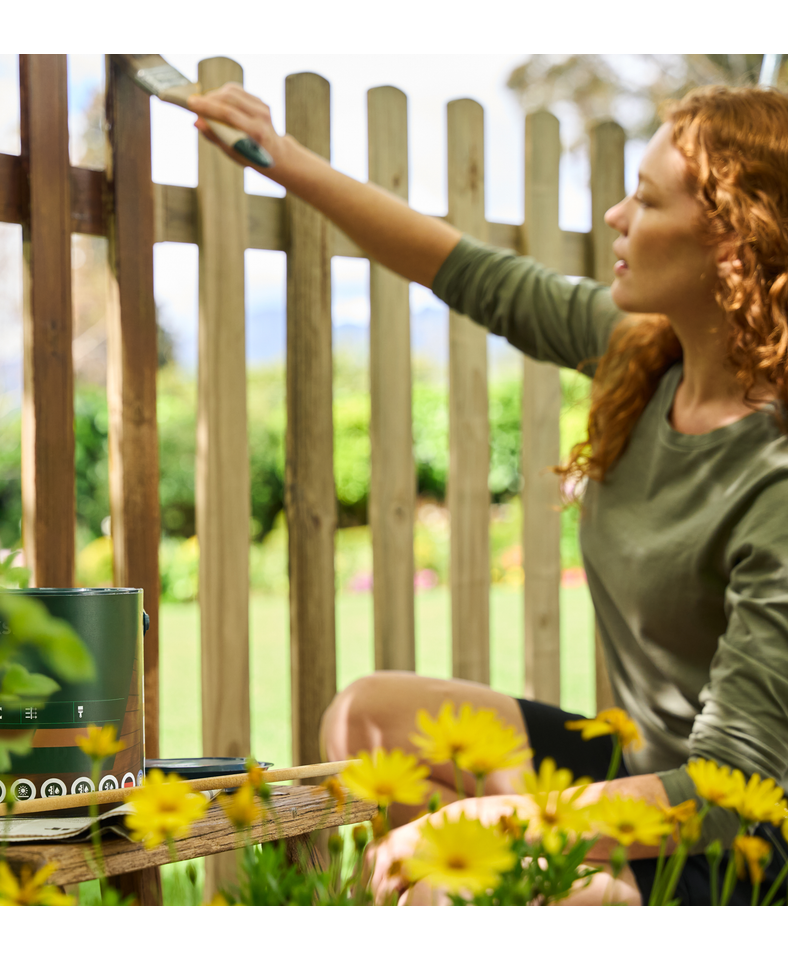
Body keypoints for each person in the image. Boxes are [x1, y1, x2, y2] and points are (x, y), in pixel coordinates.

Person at [187, 80, 788, 905]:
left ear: (732, 247)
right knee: (370, 717)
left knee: (454, 881)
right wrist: (278, 157)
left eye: (646, 201)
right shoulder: (647, 357)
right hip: (640, 779)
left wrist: (498, 829)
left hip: (741, 847)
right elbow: (462, 268)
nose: (616, 217)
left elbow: (731, 791)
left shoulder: (776, 480)